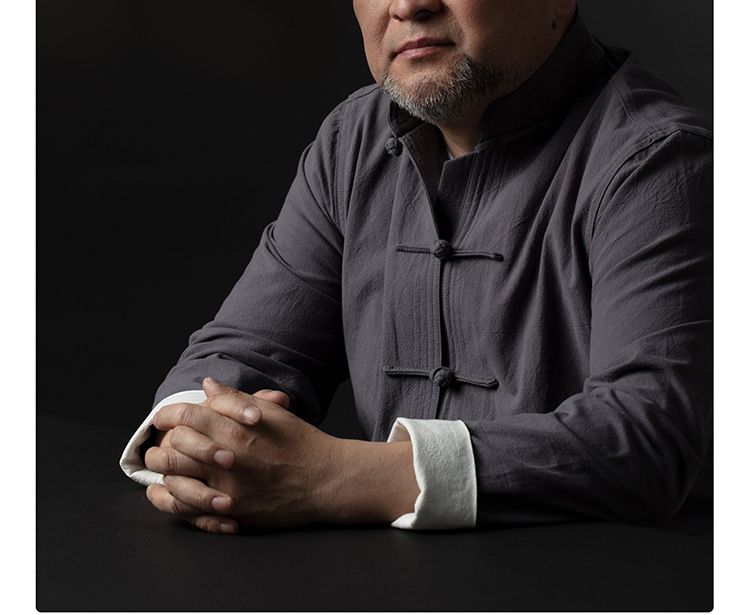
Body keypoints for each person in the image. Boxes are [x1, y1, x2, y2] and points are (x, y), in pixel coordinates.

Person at [119, 0, 713, 535]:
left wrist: (335, 477)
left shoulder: (658, 159)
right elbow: (244, 351)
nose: (408, 6)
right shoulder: (352, 140)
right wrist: (201, 442)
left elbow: (648, 438)